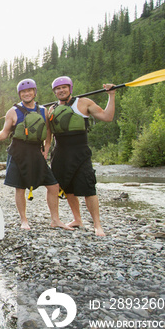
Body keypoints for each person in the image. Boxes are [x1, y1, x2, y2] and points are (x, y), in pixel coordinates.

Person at [0, 79, 72, 231]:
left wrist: (45, 151)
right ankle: (24, 220)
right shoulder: (12, 112)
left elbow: (48, 133)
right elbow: (4, 133)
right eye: (23, 92)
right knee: (20, 188)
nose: (26, 94)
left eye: (29, 91)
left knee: (53, 186)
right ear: (20, 94)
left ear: (34, 92)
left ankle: (55, 219)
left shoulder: (43, 111)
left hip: (36, 151)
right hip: (19, 152)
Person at [47, 76, 115, 236]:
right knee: (67, 188)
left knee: (89, 189)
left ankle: (98, 225)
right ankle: (77, 219)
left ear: (70, 88)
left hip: (80, 152)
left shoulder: (84, 103)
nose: (61, 90)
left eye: (64, 87)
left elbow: (107, 117)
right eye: (58, 88)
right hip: (60, 153)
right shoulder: (51, 109)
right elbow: (48, 134)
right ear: (54, 92)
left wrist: (111, 95)